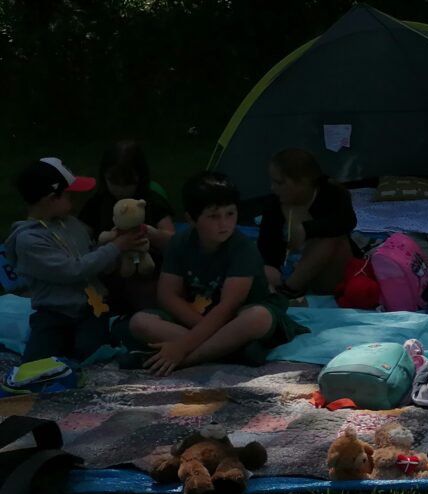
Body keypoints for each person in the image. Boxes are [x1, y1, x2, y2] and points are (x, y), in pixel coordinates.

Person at [126, 171, 306, 376]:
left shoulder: (242, 249)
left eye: (230, 214)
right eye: (213, 216)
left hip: (238, 317)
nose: (224, 224)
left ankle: (187, 360)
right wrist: (207, 333)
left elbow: (228, 307)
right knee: (140, 322)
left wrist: (182, 348)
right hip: (200, 317)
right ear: (191, 219)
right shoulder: (180, 243)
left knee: (258, 317)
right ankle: (230, 350)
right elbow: (168, 295)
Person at [6, 157, 147, 363]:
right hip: (53, 313)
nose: (74, 201)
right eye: (69, 195)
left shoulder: (72, 224)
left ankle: (114, 339)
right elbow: (72, 270)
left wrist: (115, 249)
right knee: (38, 363)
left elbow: (91, 257)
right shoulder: (29, 240)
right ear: (51, 199)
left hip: (90, 309)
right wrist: (115, 247)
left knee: (91, 351)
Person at [78, 140, 176, 313]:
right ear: (104, 177)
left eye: (128, 183)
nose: (120, 189)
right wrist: (110, 244)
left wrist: (149, 232)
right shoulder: (97, 204)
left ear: (140, 178)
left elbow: (173, 241)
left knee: (147, 293)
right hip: (109, 273)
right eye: (113, 182)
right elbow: (79, 241)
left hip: (148, 272)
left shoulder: (151, 201)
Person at [257, 148, 358, 297]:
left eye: (279, 183)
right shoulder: (274, 205)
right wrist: (271, 268)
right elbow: (267, 247)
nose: (273, 188)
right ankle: (287, 290)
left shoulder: (332, 194)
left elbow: (346, 221)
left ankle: (291, 289)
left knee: (331, 236)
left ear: (303, 182)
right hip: (288, 270)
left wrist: (306, 230)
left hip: (329, 270)